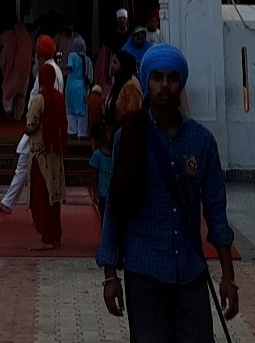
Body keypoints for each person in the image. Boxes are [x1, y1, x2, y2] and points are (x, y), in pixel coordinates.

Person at [96, 43, 239, 343]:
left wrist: (228, 277)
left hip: (190, 270)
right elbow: (115, 206)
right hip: (143, 269)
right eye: (157, 77)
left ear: (181, 82)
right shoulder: (130, 136)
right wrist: (110, 276)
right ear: (146, 82)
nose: (164, 85)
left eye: (172, 78)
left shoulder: (202, 141)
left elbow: (216, 210)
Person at [0, 35, 62, 214]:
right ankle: (8, 202)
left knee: (34, 169)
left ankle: (39, 208)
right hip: (41, 125)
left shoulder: (47, 71)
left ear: (40, 54)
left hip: (40, 127)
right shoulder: (55, 69)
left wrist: (33, 122)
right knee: (25, 166)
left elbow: (44, 100)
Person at [25, 62, 67, 251]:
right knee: (54, 194)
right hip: (55, 152)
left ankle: (46, 237)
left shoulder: (39, 99)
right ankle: (55, 235)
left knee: (41, 194)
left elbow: (31, 124)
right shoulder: (58, 97)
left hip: (40, 152)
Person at [0, 19, 33, 119]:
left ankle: (11, 114)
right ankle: (16, 116)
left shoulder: (17, 40)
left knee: (11, 92)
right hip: (21, 73)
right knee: (19, 95)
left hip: (14, 73)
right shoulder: (22, 40)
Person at [103, 49, 142, 133]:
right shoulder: (117, 85)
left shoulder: (130, 85)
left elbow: (132, 116)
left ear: (124, 65)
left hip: (125, 135)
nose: (111, 65)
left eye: (115, 62)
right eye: (111, 62)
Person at [89, 120, 114, 220]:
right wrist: (94, 192)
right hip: (103, 192)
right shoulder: (97, 155)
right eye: (106, 134)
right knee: (104, 215)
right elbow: (94, 173)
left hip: (113, 191)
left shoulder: (115, 153)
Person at [65, 46, 88, 139]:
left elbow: (70, 66)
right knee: (82, 111)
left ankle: (72, 132)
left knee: (71, 110)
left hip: (71, 86)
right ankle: (81, 134)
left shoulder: (72, 55)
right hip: (82, 86)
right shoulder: (86, 59)